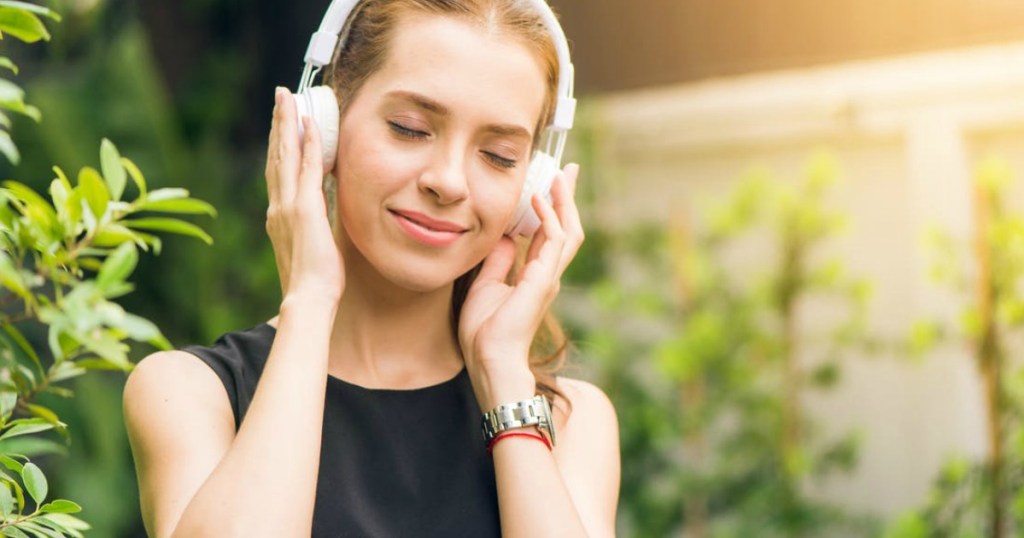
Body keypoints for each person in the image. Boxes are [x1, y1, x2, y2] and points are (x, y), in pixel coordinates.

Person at [123, 0, 620, 536]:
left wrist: (503, 375)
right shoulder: (192, 392)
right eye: (410, 128)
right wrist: (310, 302)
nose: (449, 182)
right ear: (323, 126)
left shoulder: (571, 422)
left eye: (498, 155)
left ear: (530, 188)